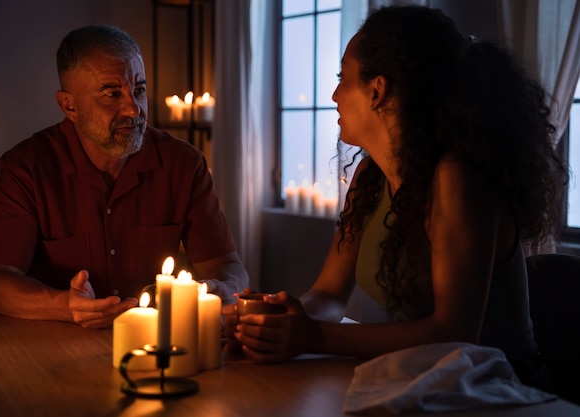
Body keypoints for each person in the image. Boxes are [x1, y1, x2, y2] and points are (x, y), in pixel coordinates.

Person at [224, 5, 568, 389]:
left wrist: (313, 337)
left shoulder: (459, 177)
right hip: (426, 383)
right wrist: (274, 320)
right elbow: (328, 295)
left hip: (501, 391)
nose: (335, 94)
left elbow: (453, 334)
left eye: (343, 78)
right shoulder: (370, 177)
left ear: (378, 90)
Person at [0, 24, 248, 329]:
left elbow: (226, 266)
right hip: (54, 347)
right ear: (70, 105)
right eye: (112, 94)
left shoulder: (183, 164)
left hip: (157, 343)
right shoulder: (24, 168)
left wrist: (222, 288)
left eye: (139, 90)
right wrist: (65, 305)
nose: (134, 109)